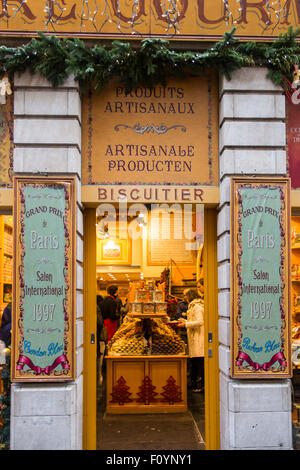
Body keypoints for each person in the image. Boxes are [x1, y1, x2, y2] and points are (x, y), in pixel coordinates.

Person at [177, 287, 204, 393]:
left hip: (198, 338)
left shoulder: (196, 307)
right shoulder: (193, 306)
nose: (184, 298)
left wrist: (186, 324)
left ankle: (200, 385)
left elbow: (200, 321)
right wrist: (185, 320)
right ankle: (194, 384)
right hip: (194, 337)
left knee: (199, 363)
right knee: (195, 362)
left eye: (185, 295)